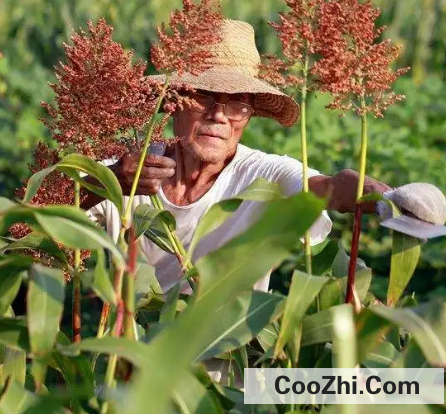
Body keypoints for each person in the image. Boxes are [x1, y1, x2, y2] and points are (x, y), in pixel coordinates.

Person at [82, 19, 390, 294]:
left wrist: (390, 199)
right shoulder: (130, 172)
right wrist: (105, 184)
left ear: (249, 115)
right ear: (174, 100)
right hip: (132, 351)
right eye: (204, 96)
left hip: (229, 351)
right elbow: (39, 213)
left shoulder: (264, 175)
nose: (219, 116)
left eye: (237, 104)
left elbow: (329, 188)